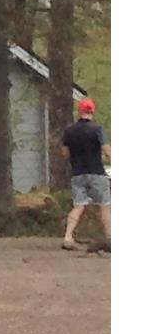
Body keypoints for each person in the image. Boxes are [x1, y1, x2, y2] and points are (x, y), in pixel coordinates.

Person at [60, 97, 112, 253]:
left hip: (77, 173)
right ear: (92, 111)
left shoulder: (69, 131)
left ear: (79, 111)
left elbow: (65, 153)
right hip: (97, 172)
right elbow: (107, 150)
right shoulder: (97, 129)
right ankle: (110, 237)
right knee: (104, 205)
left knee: (78, 205)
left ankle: (68, 237)